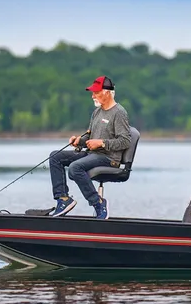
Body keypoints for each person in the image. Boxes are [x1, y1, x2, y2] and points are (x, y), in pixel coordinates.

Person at [48, 75, 132, 219]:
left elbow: (125, 141)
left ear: (107, 92)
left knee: (75, 167)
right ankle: (63, 199)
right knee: (55, 156)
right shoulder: (97, 112)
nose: (93, 95)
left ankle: (98, 203)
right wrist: (79, 141)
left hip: (109, 158)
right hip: (92, 154)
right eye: (92, 92)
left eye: (96, 92)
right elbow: (90, 137)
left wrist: (101, 143)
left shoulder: (119, 113)